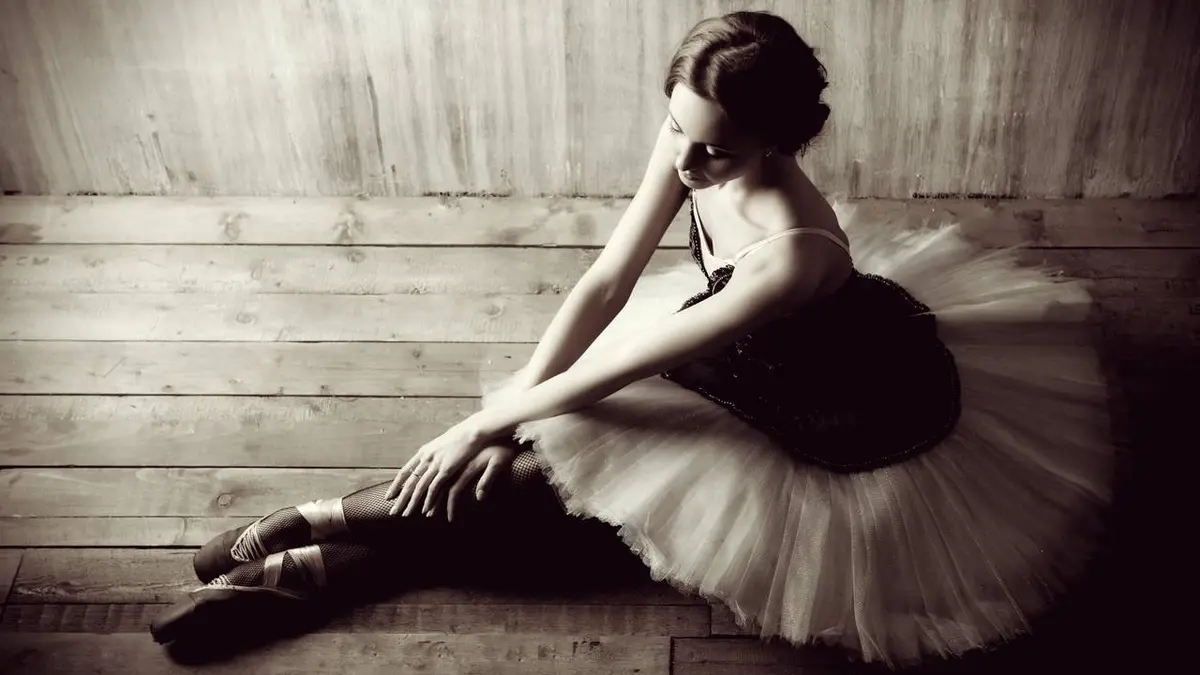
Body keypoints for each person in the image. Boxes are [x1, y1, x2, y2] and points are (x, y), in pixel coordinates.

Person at [150, 11, 1116, 668]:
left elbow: (623, 362)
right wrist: (503, 414)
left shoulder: (795, 253)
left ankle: (318, 532)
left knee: (548, 492)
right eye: (676, 128)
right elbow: (607, 284)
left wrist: (481, 424)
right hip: (717, 345)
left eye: (715, 149)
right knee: (524, 461)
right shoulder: (695, 134)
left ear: (777, 141)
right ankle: (316, 558)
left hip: (826, 404)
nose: (685, 160)